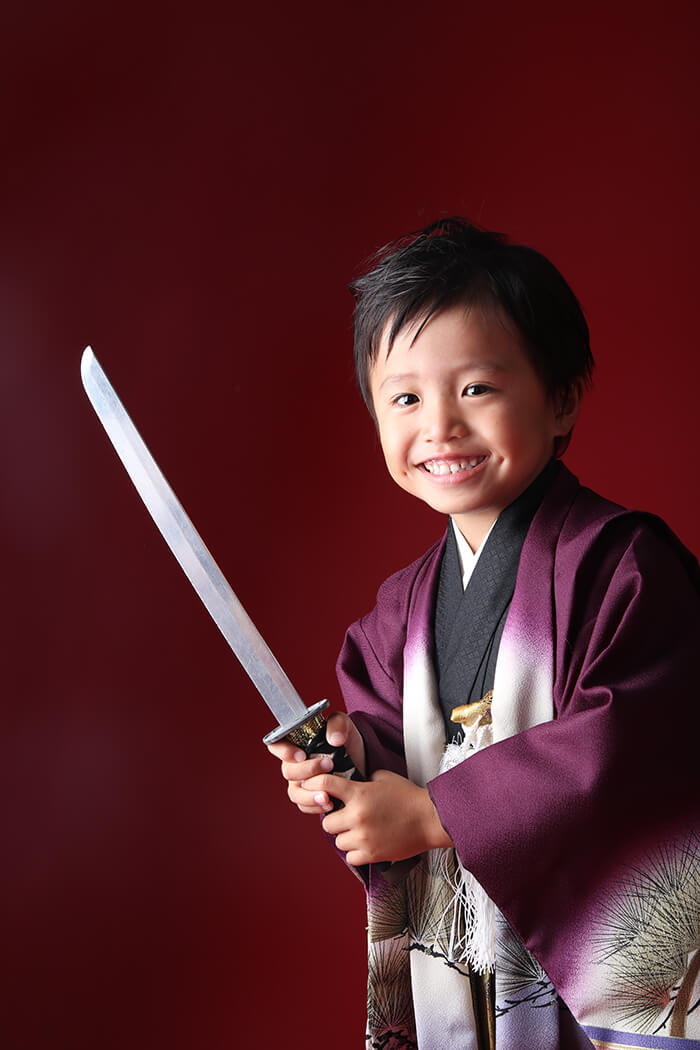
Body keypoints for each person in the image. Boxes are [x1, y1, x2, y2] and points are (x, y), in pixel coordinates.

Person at [267, 218, 700, 1050]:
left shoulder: (622, 567)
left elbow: (629, 745)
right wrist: (346, 770)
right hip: (471, 958)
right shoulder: (397, 613)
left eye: (475, 389)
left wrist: (436, 812)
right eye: (405, 398)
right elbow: (394, 771)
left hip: (591, 966)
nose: (439, 427)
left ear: (562, 397)